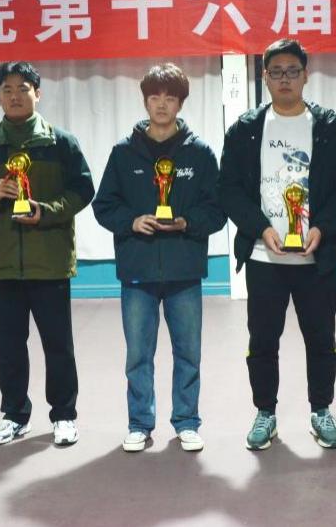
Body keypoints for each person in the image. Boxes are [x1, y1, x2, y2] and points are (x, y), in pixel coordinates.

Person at [218, 39, 336, 450]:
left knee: (321, 339)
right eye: (276, 72)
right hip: (264, 257)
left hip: (317, 258)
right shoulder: (246, 128)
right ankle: (265, 413)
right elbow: (228, 188)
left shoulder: (330, 127)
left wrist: (323, 227)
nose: (285, 79)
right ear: (264, 77)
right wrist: (260, 228)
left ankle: (321, 410)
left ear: (306, 75)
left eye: (292, 71)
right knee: (263, 340)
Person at [0, 61, 94, 447]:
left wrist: (45, 212)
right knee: (10, 346)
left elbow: (83, 190)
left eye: (23, 89)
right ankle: (14, 415)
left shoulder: (61, 143)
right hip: (3, 265)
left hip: (49, 262)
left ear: (38, 93)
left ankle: (64, 415)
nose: (15, 96)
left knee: (58, 345)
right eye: (7, 89)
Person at [93, 63, 226, 452]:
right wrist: (132, 222)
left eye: (170, 97)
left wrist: (187, 222)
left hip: (185, 270)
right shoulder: (123, 153)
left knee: (188, 353)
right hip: (138, 269)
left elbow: (218, 209)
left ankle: (187, 421)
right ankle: (139, 423)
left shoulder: (200, 154)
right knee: (138, 355)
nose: (162, 104)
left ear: (180, 103)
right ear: (145, 101)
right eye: (155, 97)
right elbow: (104, 205)